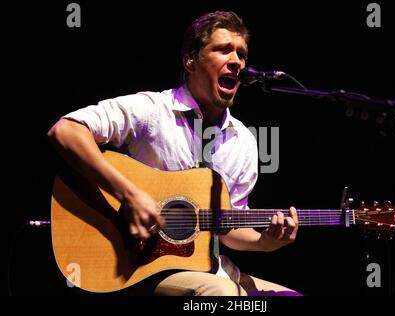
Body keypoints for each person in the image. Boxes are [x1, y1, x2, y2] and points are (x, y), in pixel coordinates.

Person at [48, 11, 300, 296]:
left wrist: (264, 242)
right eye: (222, 50)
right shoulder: (152, 110)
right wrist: (129, 195)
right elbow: (66, 131)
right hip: (139, 267)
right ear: (190, 61)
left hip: (210, 269)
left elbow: (226, 225)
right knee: (223, 295)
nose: (236, 61)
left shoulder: (243, 141)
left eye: (241, 54)